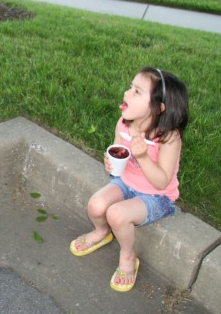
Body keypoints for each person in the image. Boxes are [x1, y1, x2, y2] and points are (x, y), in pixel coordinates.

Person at [69, 67, 189, 292]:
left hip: (156, 196)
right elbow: (119, 153)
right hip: (126, 183)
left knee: (116, 214)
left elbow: (161, 181)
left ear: (158, 108)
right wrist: (111, 163)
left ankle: (128, 256)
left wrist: (143, 156)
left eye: (136, 92)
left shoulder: (169, 138)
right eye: (130, 87)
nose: (126, 93)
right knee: (96, 205)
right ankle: (101, 232)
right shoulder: (124, 124)